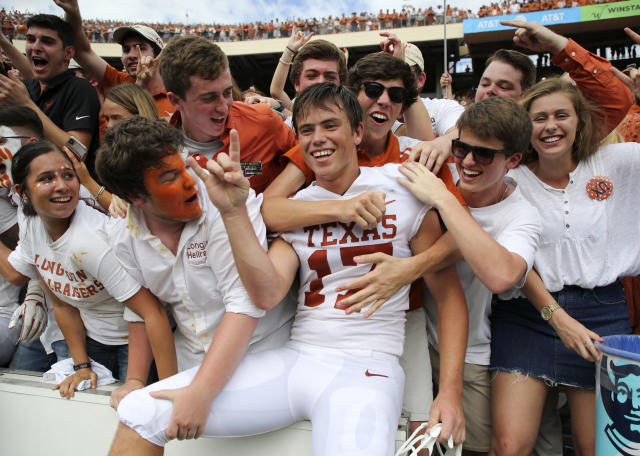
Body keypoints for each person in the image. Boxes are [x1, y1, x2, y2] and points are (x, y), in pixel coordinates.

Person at [108, 82, 466, 456]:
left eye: (330, 125)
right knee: (140, 411)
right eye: (307, 130)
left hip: (368, 366)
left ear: (358, 132)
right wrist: (233, 213)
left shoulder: (402, 188)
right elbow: (265, 292)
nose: (318, 139)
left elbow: (449, 295)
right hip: (298, 359)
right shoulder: (298, 205)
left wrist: (450, 392)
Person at [94, 116, 294, 405]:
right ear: (135, 197)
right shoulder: (122, 233)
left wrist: (200, 392)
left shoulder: (225, 201)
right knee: (136, 416)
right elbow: (142, 309)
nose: (190, 182)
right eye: (170, 177)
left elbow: (244, 304)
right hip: (191, 363)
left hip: (262, 356)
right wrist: (136, 380)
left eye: (185, 167)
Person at [490, 77, 640, 456]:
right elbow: (515, 263)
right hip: (527, 315)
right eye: (538, 118)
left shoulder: (618, 162)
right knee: (509, 447)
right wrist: (554, 315)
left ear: (580, 121)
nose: (550, 126)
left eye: (561, 115)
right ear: (525, 129)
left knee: (604, 450)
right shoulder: (509, 179)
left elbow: (618, 98)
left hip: (603, 315)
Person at [397, 96, 542, 456]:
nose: (468, 162)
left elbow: (502, 275)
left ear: (513, 160)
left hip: (470, 352)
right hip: (408, 340)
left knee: (469, 449)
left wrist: (446, 201)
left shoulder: (521, 215)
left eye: (485, 155)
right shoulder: (436, 173)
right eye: (461, 149)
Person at [0, 140, 177, 398]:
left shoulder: (90, 242)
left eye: (68, 175)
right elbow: (61, 304)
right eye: (47, 178)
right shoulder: (30, 222)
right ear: (22, 192)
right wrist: (81, 365)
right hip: (93, 337)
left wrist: (166, 390)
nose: (62, 185)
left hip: (138, 340)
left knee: (134, 412)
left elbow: (153, 314)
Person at [159, 35, 297, 194]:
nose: (223, 107)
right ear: (176, 101)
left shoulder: (262, 121)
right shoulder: (158, 151)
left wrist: (272, 198)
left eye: (227, 93)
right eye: (209, 98)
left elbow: (307, 158)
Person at [0, 14, 100, 171]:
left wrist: (25, 103)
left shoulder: (80, 89)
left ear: (68, 53)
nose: (36, 47)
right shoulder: (27, 88)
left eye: (47, 41)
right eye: (31, 39)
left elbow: (78, 152)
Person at [54, 0, 175, 120]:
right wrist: (72, 11)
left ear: (159, 57)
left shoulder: (178, 95)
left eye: (141, 48)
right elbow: (80, 50)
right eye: (126, 50)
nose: (131, 55)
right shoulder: (119, 82)